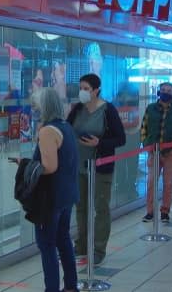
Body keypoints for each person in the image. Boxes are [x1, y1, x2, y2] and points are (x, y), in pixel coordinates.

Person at [67, 74, 125, 265]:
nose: (82, 92)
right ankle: (82, 245)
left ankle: (99, 248)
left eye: (86, 88)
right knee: (81, 207)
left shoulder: (108, 110)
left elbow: (120, 138)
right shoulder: (77, 109)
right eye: (81, 88)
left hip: (100, 166)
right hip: (79, 166)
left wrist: (99, 143)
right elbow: (66, 130)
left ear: (96, 90)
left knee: (101, 208)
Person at [32, 87, 80, 292]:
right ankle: (71, 285)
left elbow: (50, 166)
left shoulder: (47, 131)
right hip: (66, 194)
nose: (34, 109)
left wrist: (27, 166)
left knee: (47, 245)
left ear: (44, 106)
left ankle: (51, 288)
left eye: (36, 105)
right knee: (63, 239)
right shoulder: (66, 126)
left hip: (50, 197)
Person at [140, 82, 172, 223]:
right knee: (151, 182)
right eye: (163, 90)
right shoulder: (151, 108)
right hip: (153, 151)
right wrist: (146, 143)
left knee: (168, 183)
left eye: (168, 90)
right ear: (158, 92)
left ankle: (165, 211)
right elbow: (144, 127)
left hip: (171, 153)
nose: (165, 93)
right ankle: (149, 212)